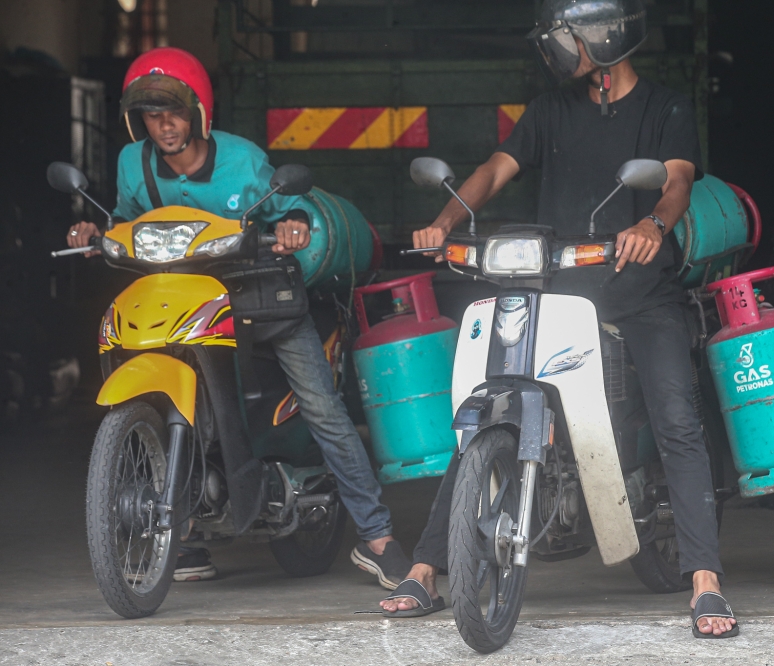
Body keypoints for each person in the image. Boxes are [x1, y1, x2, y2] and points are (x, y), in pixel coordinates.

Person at [380, 0, 739, 638]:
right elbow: (497, 168)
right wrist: (448, 217)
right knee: (486, 410)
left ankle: (705, 579)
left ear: (605, 37)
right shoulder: (549, 110)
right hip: (557, 286)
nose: (559, 48)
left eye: (568, 35)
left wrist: (653, 225)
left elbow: (676, 182)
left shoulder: (665, 109)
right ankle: (430, 566)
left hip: (639, 289)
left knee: (676, 417)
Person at [67, 47, 410, 589]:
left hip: (258, 297)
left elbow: (287, 211)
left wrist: (295, 224)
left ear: (200, 111)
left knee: (322, 408)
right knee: (182, 397)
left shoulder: (243, 161)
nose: (165, 125)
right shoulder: (132, 163)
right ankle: (185, 534)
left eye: (175, 111)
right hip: (183, 303)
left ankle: (378, 537)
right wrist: (95, 233)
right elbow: (132, 220)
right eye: (152, 114)